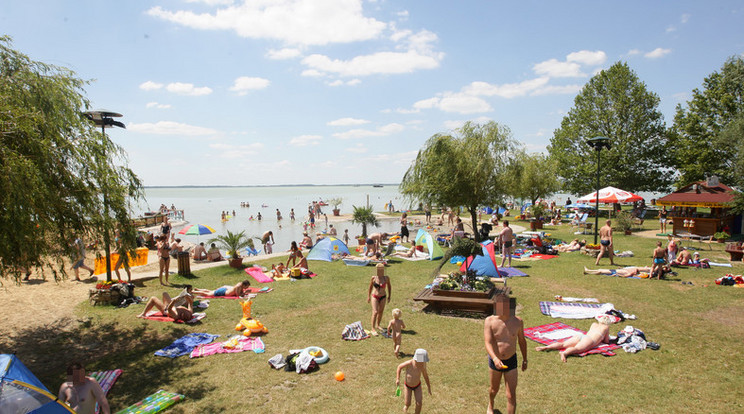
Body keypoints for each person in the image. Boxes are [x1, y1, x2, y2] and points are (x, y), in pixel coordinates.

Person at [484, 297, 527, 414]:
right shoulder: (490, 321)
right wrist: (495, 358)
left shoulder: (518, 322)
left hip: (511, 360)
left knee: (511, 395)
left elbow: (522, 341)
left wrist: (525, 359)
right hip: (495, 361)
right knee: (494, 389)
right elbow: (487, 342)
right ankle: (491, 404)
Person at [535, 314, 612, 362]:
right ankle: (564, 353)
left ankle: (546, 347)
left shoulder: (594, 324)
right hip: (589, 340)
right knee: (577, 349)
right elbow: (606, 341)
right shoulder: (605, 328)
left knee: (563, 344)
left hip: (582, 336)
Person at [395, 349, 432, 414]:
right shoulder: (409, 363)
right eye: (421, 361)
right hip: (407, 386)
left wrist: (429, 387)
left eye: (423, 361)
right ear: (416, 359)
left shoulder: (422, 366)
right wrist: (398, 378)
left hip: (417, 386)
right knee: (407, 403)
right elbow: (399, 367)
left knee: (419, 403)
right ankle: (405, 409)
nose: (422, 362)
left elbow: (426, 376)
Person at [367, 263, 391, 335]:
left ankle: (378, 325)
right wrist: (368, 296)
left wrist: (389, 296)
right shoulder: (373, 278)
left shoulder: (386, 278)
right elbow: (370, 287)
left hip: (383, 296)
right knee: (375, 312)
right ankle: (373, 328)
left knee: (381, 311)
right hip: (375, 296)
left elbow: (389, 287)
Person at [583, 265, 657, 278]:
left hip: (615, 272)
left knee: (601, 271)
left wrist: (617, 275)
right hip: (616, 270)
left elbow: (625, 276)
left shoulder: (631, 272)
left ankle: (588, 272)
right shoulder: (632, 270)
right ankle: (588, 270)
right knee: (601, 270)